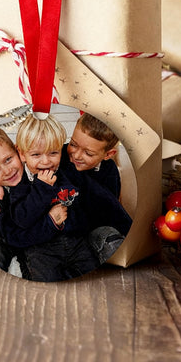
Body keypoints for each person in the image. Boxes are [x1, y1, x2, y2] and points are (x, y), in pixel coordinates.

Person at [8, 113, 101, 281]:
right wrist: (42, 188)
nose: (46, 161)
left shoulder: (67, 171)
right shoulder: (19, 182)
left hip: (75, 242)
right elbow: (22, 219)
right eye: (36, 155)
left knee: (94, 277)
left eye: (53, 153)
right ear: (22, 154)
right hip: (39, 247)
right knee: (45, 282)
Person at [0, 124, 66, 275]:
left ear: (18, 152)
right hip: (0, 234)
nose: (7, 171)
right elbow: (13, 237)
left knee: (34, 266)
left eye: (8, 159)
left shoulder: (32, 168)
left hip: (30, 231)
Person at [61, 112, 132, 263]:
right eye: (73, 144)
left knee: (112, 240)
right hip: (61, 232)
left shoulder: (109, 171)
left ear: (108, 154)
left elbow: (110, 208)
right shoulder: (57, 155)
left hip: (94, 230)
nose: (77, 155)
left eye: (88, 153)